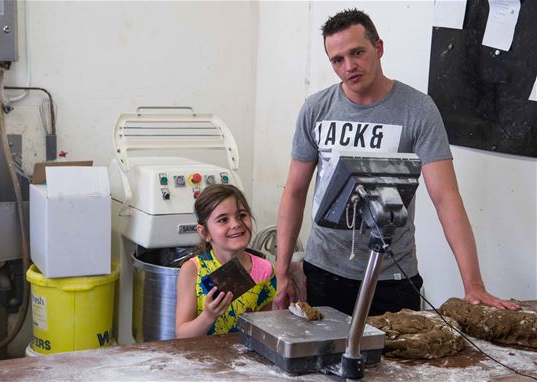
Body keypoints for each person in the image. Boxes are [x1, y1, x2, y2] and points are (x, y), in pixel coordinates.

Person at [274, 8, 520, 316]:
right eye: (338, 60)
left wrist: (473, 284)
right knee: (323, 363)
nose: (349, 66)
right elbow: (294, 191)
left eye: (357, 52)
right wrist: (282, 271)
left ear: (378, 48)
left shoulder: (418, 109)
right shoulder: (316, 109)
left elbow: (446, 198)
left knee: (393, 365)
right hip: (325, 271)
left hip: (391, 276)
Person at [175, 184, 277, 338]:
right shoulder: (192, 270)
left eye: (242, 215)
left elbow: (264, 331)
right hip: (202, 358)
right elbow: (181, 335)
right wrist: (208, 316)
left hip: (246, 359)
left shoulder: (265, 271)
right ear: (204, 232)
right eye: (223, 219)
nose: (236, 224)